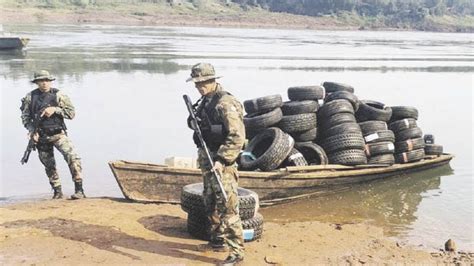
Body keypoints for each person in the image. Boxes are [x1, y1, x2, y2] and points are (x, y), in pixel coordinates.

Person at [187, 63, 245, 265]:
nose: (200, 87)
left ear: (213, 80)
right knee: (210, 201)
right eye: (197, 84)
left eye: (203, 83)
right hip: (207, 159)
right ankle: (218, 239)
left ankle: (236, 252)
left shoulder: (225, 103)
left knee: (228, 207)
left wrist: (222, 160)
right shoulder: (205, 101)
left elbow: (237, 136)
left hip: (223, 163)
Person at [20, 70, 85, 200]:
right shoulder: (29, 97)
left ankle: (79, 190)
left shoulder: (58, 95)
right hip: (41, 136)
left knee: (73, 158)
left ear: (50, 81)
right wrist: (32, 131)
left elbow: (71, 114)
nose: (44, 83)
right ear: (37, 82)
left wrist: (55, 110)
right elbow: (25, 118)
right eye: (41, 81)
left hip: (58, 134)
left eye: (47, 80)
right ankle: (57, 192)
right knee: (49, 165)